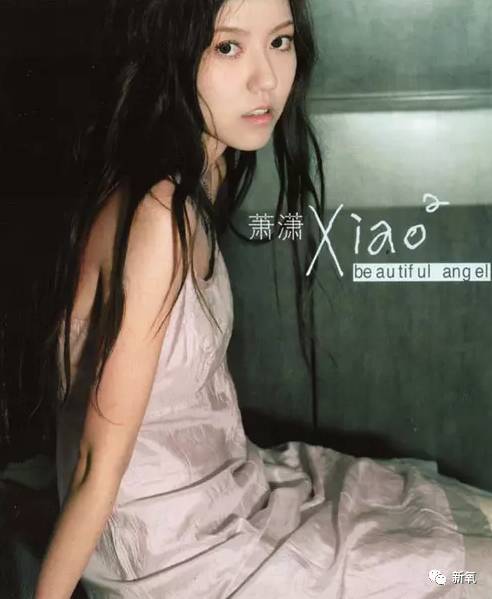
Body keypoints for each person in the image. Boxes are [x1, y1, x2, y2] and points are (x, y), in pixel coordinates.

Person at [35, 0, 492, 597]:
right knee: (468, 570)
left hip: (231, 492)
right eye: (228, 47)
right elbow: (96, 468)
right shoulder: (158, 218)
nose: (267, 79)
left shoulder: (204, 172)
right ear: (170, 52)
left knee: (468, 526)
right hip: (172, 550)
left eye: (280, 41)